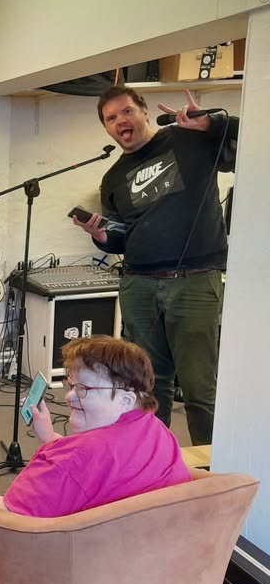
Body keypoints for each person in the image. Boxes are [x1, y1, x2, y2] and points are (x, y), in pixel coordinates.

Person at [72, 86, 238, 446]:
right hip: (139, 286)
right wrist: (100, 235)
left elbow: (250, 142)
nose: (120, 121)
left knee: (200, 388)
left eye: (126, 111)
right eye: (111, 118)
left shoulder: (189, 139)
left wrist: (212, 124)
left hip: (194, 281)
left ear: (144, 111)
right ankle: (152, 461)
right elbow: (119, 239)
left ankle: (212, 466)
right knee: (147, 386)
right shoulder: (113, 179)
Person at [0, 336, 191, 517]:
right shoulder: (157, 431)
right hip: (146, 555)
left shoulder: (70, 460)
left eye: (83, 389)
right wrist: (50, 437)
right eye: (71, 385)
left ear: (126, 399)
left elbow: (9, 518)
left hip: (68, 562)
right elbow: (91, 471)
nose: (69, 397)